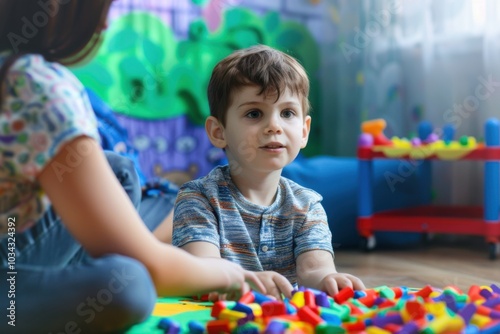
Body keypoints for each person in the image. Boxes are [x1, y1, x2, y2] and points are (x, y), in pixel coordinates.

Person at [0, 1, 264, 333]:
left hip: (14, 239)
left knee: (118, 171)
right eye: (98, 11)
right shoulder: (40, 85)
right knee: (129, 284)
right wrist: (231, 275)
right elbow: (149, 266)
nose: (104, 27)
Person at [172, 45, 366, 300]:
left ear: (304, 130)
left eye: (287, 113)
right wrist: (244, 283)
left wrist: (330, 280)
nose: (274, 126)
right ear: (219, 132)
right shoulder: (198, 200)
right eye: (254, 113)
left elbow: (314, 270)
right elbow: (203, 271)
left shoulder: (307, 205)